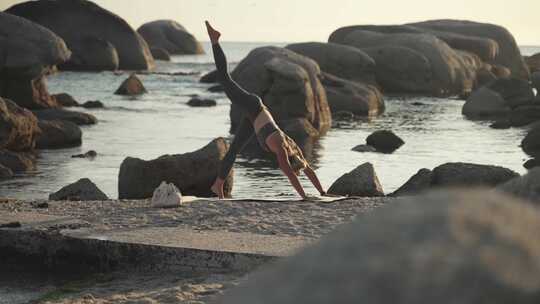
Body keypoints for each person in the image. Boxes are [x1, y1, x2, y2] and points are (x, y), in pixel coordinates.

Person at [205, 21, 326, 200]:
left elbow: (308, 170)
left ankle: (218, 185)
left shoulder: (294, 149)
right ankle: (215, 41)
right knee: (225, 79)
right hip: (253, 106)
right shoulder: (282, 148)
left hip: (254, 118)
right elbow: (291, 175)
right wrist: (304, 196)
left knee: (234, 149)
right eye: (290, 165)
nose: (288, 167)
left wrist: (322, 192)